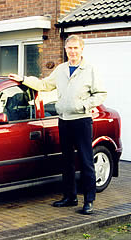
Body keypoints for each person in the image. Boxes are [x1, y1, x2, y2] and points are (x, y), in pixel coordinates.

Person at [8, 35, 107, 215]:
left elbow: (100, 94)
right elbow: (44, 85)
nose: (72, 51)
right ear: (66, 50)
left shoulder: (90, 69)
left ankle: (89, 200)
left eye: (76, 48)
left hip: (82, 121)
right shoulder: (61, 69)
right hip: (64, 121)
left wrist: (84, 106)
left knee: (86, 161)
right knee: (67, 161)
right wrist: (23, 79)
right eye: (69, 48)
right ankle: (70, 197)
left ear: (82, 49)